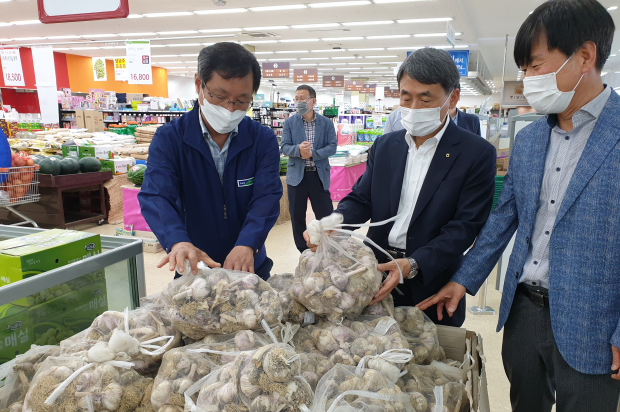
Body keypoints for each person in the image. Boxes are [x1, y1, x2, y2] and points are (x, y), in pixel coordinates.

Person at [419, 1, 620, 412]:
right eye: (523, 68)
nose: (527, 79)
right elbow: (506, 217)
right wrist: (464, 279)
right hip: (524, 313)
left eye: (536, 65)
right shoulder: (531, 139)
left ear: (584, 56)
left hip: (596, 324)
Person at [305, 47, 497, 327]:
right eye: (406, 98)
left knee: (428, 361)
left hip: (432, 283)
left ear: (452, 97)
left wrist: (414, 263)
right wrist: (335, 221)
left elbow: (464, 227)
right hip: (376, 275)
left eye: (425, 98)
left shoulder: (475, 153)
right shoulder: (386, 146)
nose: (414, 108)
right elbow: (362, 198)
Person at [139, 42, 282, 279]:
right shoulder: (170, 138)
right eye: (220, 96)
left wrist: (248, 243)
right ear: (199, 84)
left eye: (241, 101)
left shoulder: (262, 140)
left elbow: (266, 198)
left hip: (249, 265)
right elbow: (156, 196)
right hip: (194, 265)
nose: (229, 108)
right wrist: (177, 241)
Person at [281, 85, 337, 253]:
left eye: (303, 98)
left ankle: (329, 247)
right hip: (297, 177)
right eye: (296, 98)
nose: (299, 102)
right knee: (297, 216)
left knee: (326, 215)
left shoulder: (326, 123)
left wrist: (312, 154)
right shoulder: (290, 122)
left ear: (313, 101)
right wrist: (298, 150)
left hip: (318, 175)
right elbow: (284, 147)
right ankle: (303, 250)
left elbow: (332, 147)